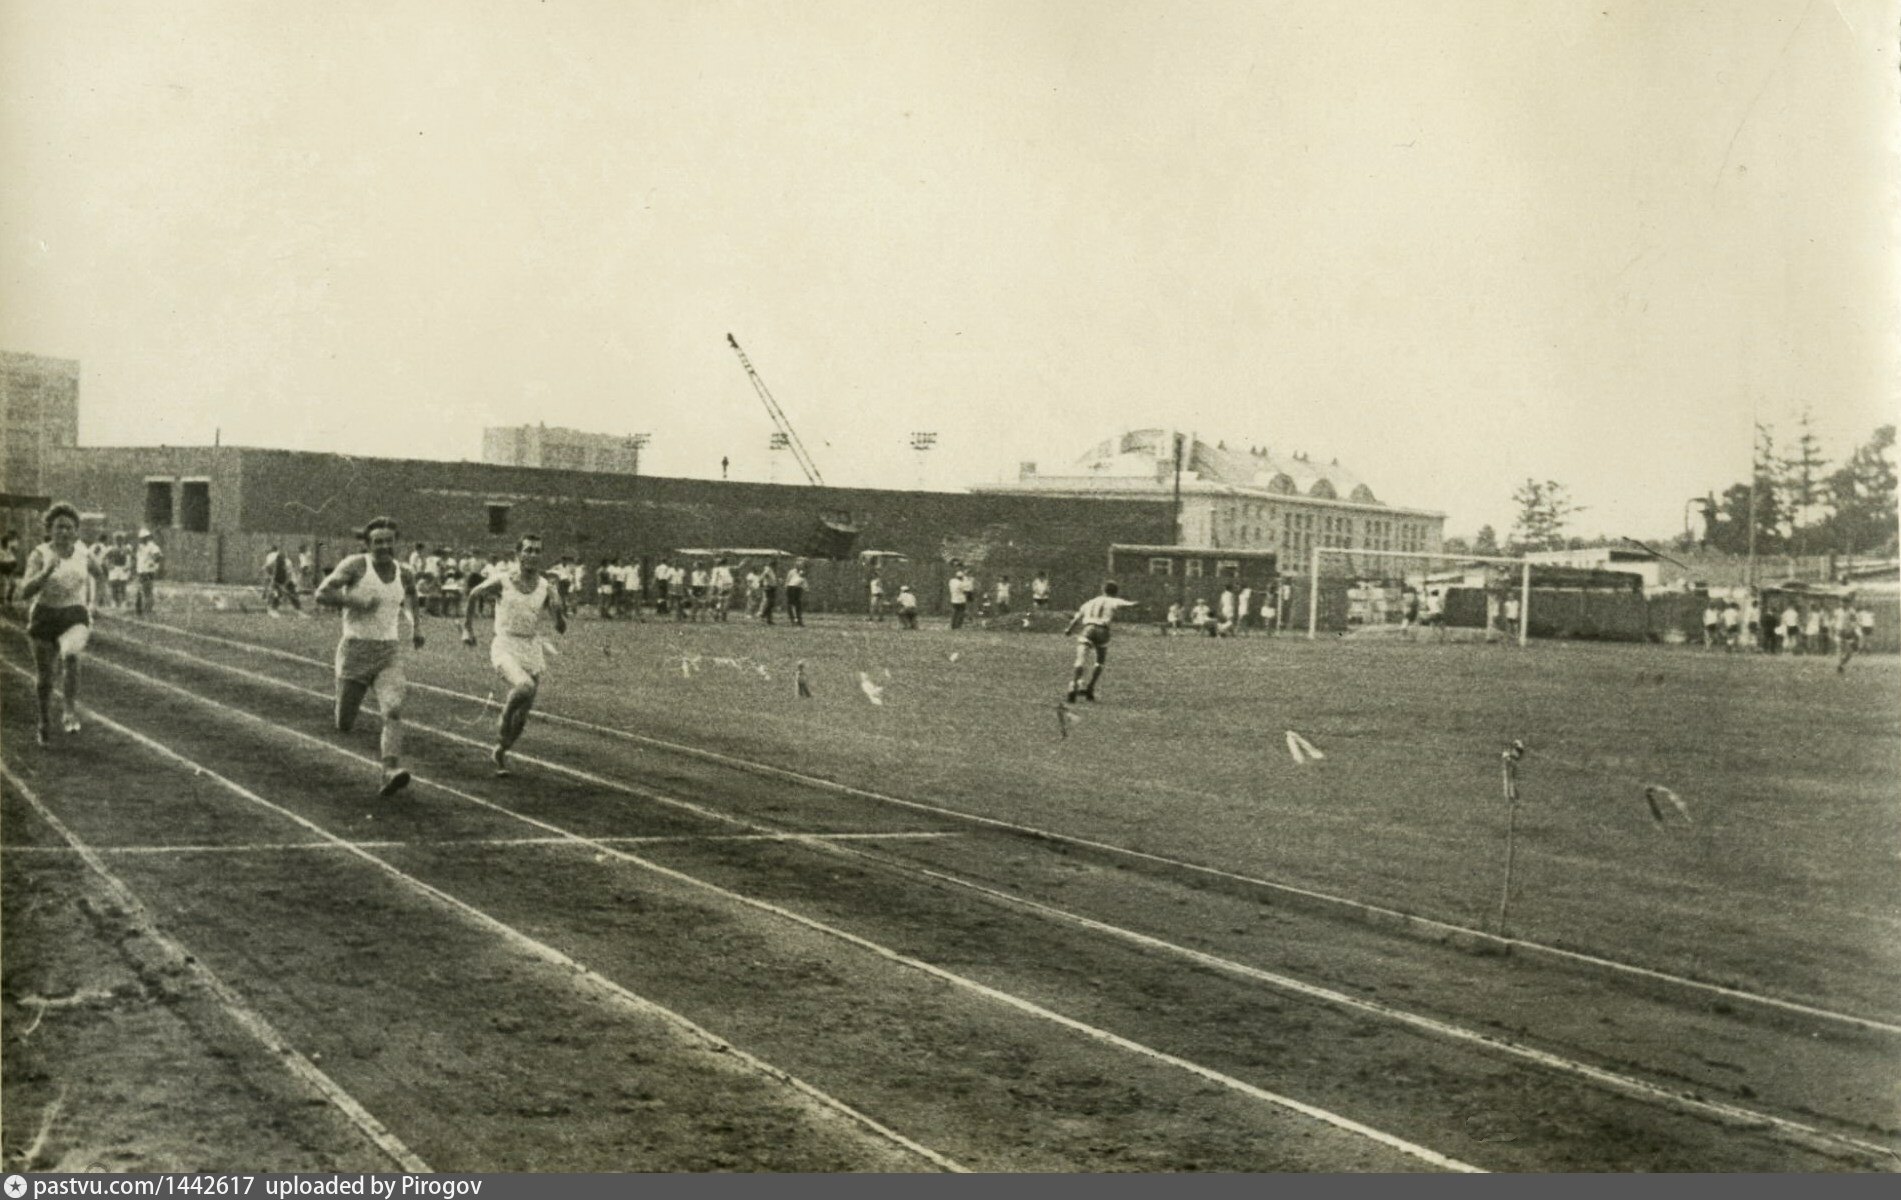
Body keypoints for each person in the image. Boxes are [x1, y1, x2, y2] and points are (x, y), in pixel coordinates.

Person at [314, 517, 426, 798]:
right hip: (355, 650)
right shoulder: (356, 565)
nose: (384, 546)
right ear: (368, 544)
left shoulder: (405, 572)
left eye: (389, 541)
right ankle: (344, 704)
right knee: (344, 722)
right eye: (378, 541)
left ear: (396, 542)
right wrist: (356, 601)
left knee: (392, 709)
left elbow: (411, 597)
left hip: (388, 651)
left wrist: (416, 626)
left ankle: (389, 770)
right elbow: (322, 592)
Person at [463, 533, 566, 775]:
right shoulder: (503, 580)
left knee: (521, 718)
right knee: (524, 687)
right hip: (505, 645)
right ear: (518, 553)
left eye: (537, 551)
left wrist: (558, 608)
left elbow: (560, 627)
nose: (532, 555)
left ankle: (501, 748)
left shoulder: (545, 587)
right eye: (528, 550)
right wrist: (468, 629)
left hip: (530, 648)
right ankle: (505, 711)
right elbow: (473, 594)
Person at [19, 503, 107, 744]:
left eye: (69, 528)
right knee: (45, 678)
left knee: (71, 655)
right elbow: (24, 591)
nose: (64, 533)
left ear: (76, 531)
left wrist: (95, 603)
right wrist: (46, 572)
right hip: (45, 615)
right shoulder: (39, 554)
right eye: (59, 528)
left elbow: (99, 575)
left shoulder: (83, 553)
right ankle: (44, 720)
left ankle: (68, 710)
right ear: (50, 530)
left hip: (74, 613)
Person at [1063, 581, 1139, 703]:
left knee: (1081, 659)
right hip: (1102, 631)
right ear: (1115, 592)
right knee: (1099, 661)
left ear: (1103, 590)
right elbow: (1127, 605)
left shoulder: (1090, 602)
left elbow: (1076, 619)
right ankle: (1090, 688)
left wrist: (1068, 630)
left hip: (1088, 629)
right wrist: (1137, 604)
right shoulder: (1113, 600)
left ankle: (1074, 686)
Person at [133, 529, 163, 615]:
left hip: (148, 571)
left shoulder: (152, 546)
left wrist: (153, 564)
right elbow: (138, 558)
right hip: (141, 571)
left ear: (147, 538)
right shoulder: (140, 547)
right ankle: (139, 609)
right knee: (140, 590)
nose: (141, 540)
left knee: (147, 590)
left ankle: (148, 609)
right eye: (140, 538)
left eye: (143, 538)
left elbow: (158, 557)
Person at [102, 532, 133, 608]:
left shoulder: (127, 548)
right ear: (114, 540)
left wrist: (128, 566)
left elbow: (130, 559)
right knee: (114, 585)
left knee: (123, 585)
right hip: (114, 568)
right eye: (117, 539)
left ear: (123, 540)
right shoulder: (111, 549)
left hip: (123, 568)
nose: (119, 541)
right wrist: (109, 565)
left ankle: (123, 602)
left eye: (120, 539)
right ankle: (114, 602)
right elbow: (105, 558)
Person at [710, 556, 735, 622]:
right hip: (721, 586)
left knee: (726, 601)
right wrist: (713, 587)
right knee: (721, 601)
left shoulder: (727, 568)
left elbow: (736, 567)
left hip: (728, 586)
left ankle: (722, 616)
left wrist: (742, 564)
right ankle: (716, 614)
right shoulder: (716, 570)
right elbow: (714, 579)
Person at [948, 566, 973, 630]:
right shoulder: (961, 584)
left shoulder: (952, 581)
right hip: (961, 600)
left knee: (954, 613)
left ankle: (953, 625)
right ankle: (958, 626)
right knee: (961, 613)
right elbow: (967, 590)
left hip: (953, 599)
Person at [785, 558, 808, 626]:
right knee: (791, 604)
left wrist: (806, 587)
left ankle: (799, 619)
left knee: (798, 604)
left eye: (802, 564)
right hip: (791, 588)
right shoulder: (792, 571)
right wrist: (786, 588)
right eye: (799, 564)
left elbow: (803, 580)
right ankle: (793, 619)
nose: (800, 566)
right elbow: (787, 580)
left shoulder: (803, 572)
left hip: (798, 588)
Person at [757, 559, 780, 625]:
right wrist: (761, 582)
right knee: (770, 603)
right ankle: (763, 614)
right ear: (773, 565)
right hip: (769, 587)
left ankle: (769, 620)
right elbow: (763, 576)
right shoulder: (768, 569)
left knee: (771, 604)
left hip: (772, 587)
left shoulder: (771, 570)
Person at [0, 531, 19, 606]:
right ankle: (2, 601)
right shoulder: (2, 552)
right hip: (2, 570)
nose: (11, 543)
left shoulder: (10, 551)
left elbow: (14, 562)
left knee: (13, 584)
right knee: (3, 584)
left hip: (8, 571)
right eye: (9, 541)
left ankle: (8, 600)